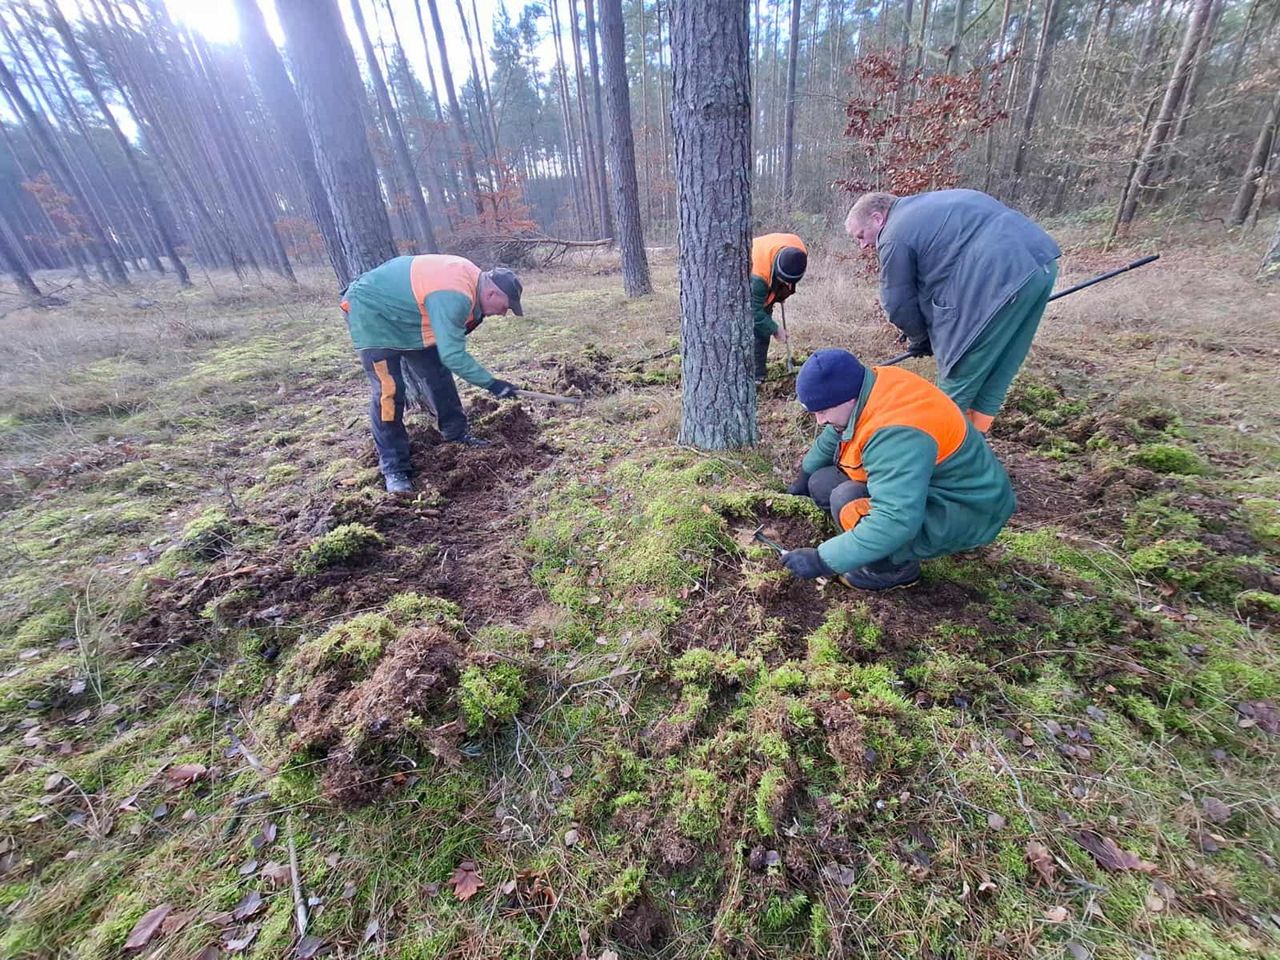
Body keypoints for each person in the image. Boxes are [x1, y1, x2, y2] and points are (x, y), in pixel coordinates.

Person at [780, 348, 1015, 590]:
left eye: (822, 411)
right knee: (821, 482)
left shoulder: (896, 433)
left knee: (844, 498)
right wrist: (803, 478)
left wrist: (822, 560)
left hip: (968, 509)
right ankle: (870, 545)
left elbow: (895, 520)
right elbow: (835, 434)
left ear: (848, 399)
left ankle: (892, 570)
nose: (819, 421)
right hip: (941, 488)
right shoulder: (871, 386)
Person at [845, 188, 1060, 433]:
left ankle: (939, 454)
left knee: (960, 371)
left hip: (1000, 279)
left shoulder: (894, 234)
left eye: (861, 236)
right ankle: (973, 440)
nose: (863, 245)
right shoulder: (936, 203)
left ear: (877, 218)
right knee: (998, 370)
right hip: (1041, 264)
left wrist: (918, 338)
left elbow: (897, 302)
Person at [340, 254, 525, 493]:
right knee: (390, 391)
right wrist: (493, 384)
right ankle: (394, 468)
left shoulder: (471, 278)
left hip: (411, 320)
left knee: (436, 372)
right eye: (505, 307)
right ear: (492, 294)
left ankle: (456, 433)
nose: (502, 314)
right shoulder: (455, 294)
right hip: (371, 314)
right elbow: (453, 354)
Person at [750, 233, 808, 382]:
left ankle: (758, 373)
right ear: (776, 271)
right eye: (785, 281)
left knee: (764, 324)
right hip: (749, 269)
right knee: (760, 327)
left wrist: (782, 293)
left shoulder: (799, 252)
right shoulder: (758, 277)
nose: (789, 285)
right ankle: (755, 376)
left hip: (768, 265)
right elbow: (753, 312)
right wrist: (775, 329)